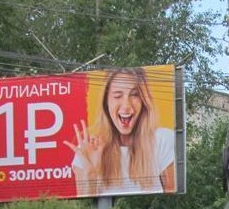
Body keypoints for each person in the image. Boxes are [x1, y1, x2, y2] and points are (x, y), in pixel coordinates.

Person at [65, 67, 176, 196]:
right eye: (117, 95)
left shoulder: (162, 139)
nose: (126, 105)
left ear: (144, 101)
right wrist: (91, 173)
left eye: (134, 95)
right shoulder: (88, 147)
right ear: (106, 102)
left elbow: (171, 201)